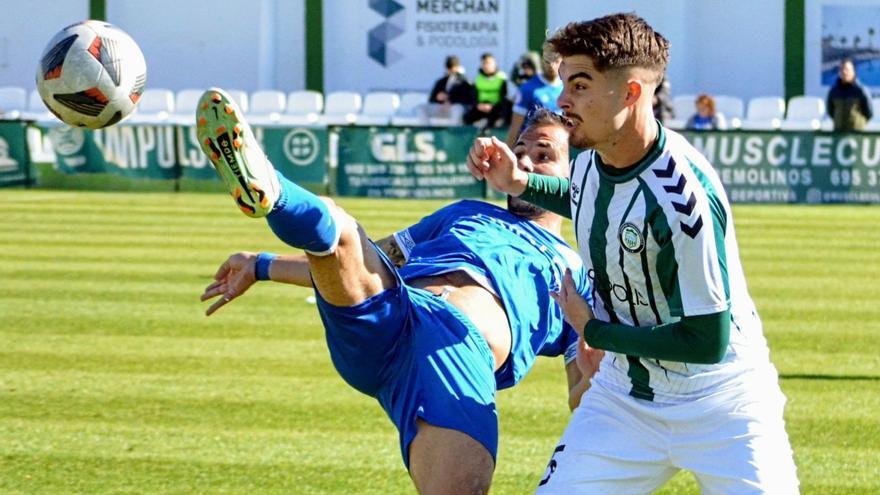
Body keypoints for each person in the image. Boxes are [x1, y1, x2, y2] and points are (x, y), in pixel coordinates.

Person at [195, 91, 600, 495]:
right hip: (393, 312)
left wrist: (596, 375)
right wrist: (261, 265)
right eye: (520, 150)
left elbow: (580, 399)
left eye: (544, 155)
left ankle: (276, 190)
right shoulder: (464, 211)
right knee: (342, 233)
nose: (523, 161)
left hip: (454, 356)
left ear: (578, 176)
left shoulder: (580, 274)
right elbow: (371, 260)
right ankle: (271, 188)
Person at [467, 13, 798, 493]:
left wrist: (593, 328)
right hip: (623, 399)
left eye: (580, 85)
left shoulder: (683, 198)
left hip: (722, 401)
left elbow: (705, 340)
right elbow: (582, 196)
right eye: (564, 84)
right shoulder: (594, 160)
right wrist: (518, 182)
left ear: (631, 93)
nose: (562, 101)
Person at [505, 44, 563, 148]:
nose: (551, 66)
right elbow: (515, 128)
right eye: (547, 62)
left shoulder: (566, 87)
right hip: (531, 150)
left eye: (556, 61)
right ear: (541, 62)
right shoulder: (527, 89)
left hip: (557, 148)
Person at [463, 53, 511, 128]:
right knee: (467, 117)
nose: (486, 65)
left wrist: (493, 106)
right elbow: (472, 97)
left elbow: (505, 97)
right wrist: (478, 105)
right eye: (483, 63)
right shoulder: (477, 79)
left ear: (494, 64)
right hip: (481, 107)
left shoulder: (502, 78)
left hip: (496, 108)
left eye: (488, 63)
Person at [826, 58, 873, 131]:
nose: (844, 72)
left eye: (847, 69)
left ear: (853, 71)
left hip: (857, 135)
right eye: (842, 69)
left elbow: (869, 113)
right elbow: (830, 112)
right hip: (838, 133)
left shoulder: (861, 91)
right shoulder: (833, 91)